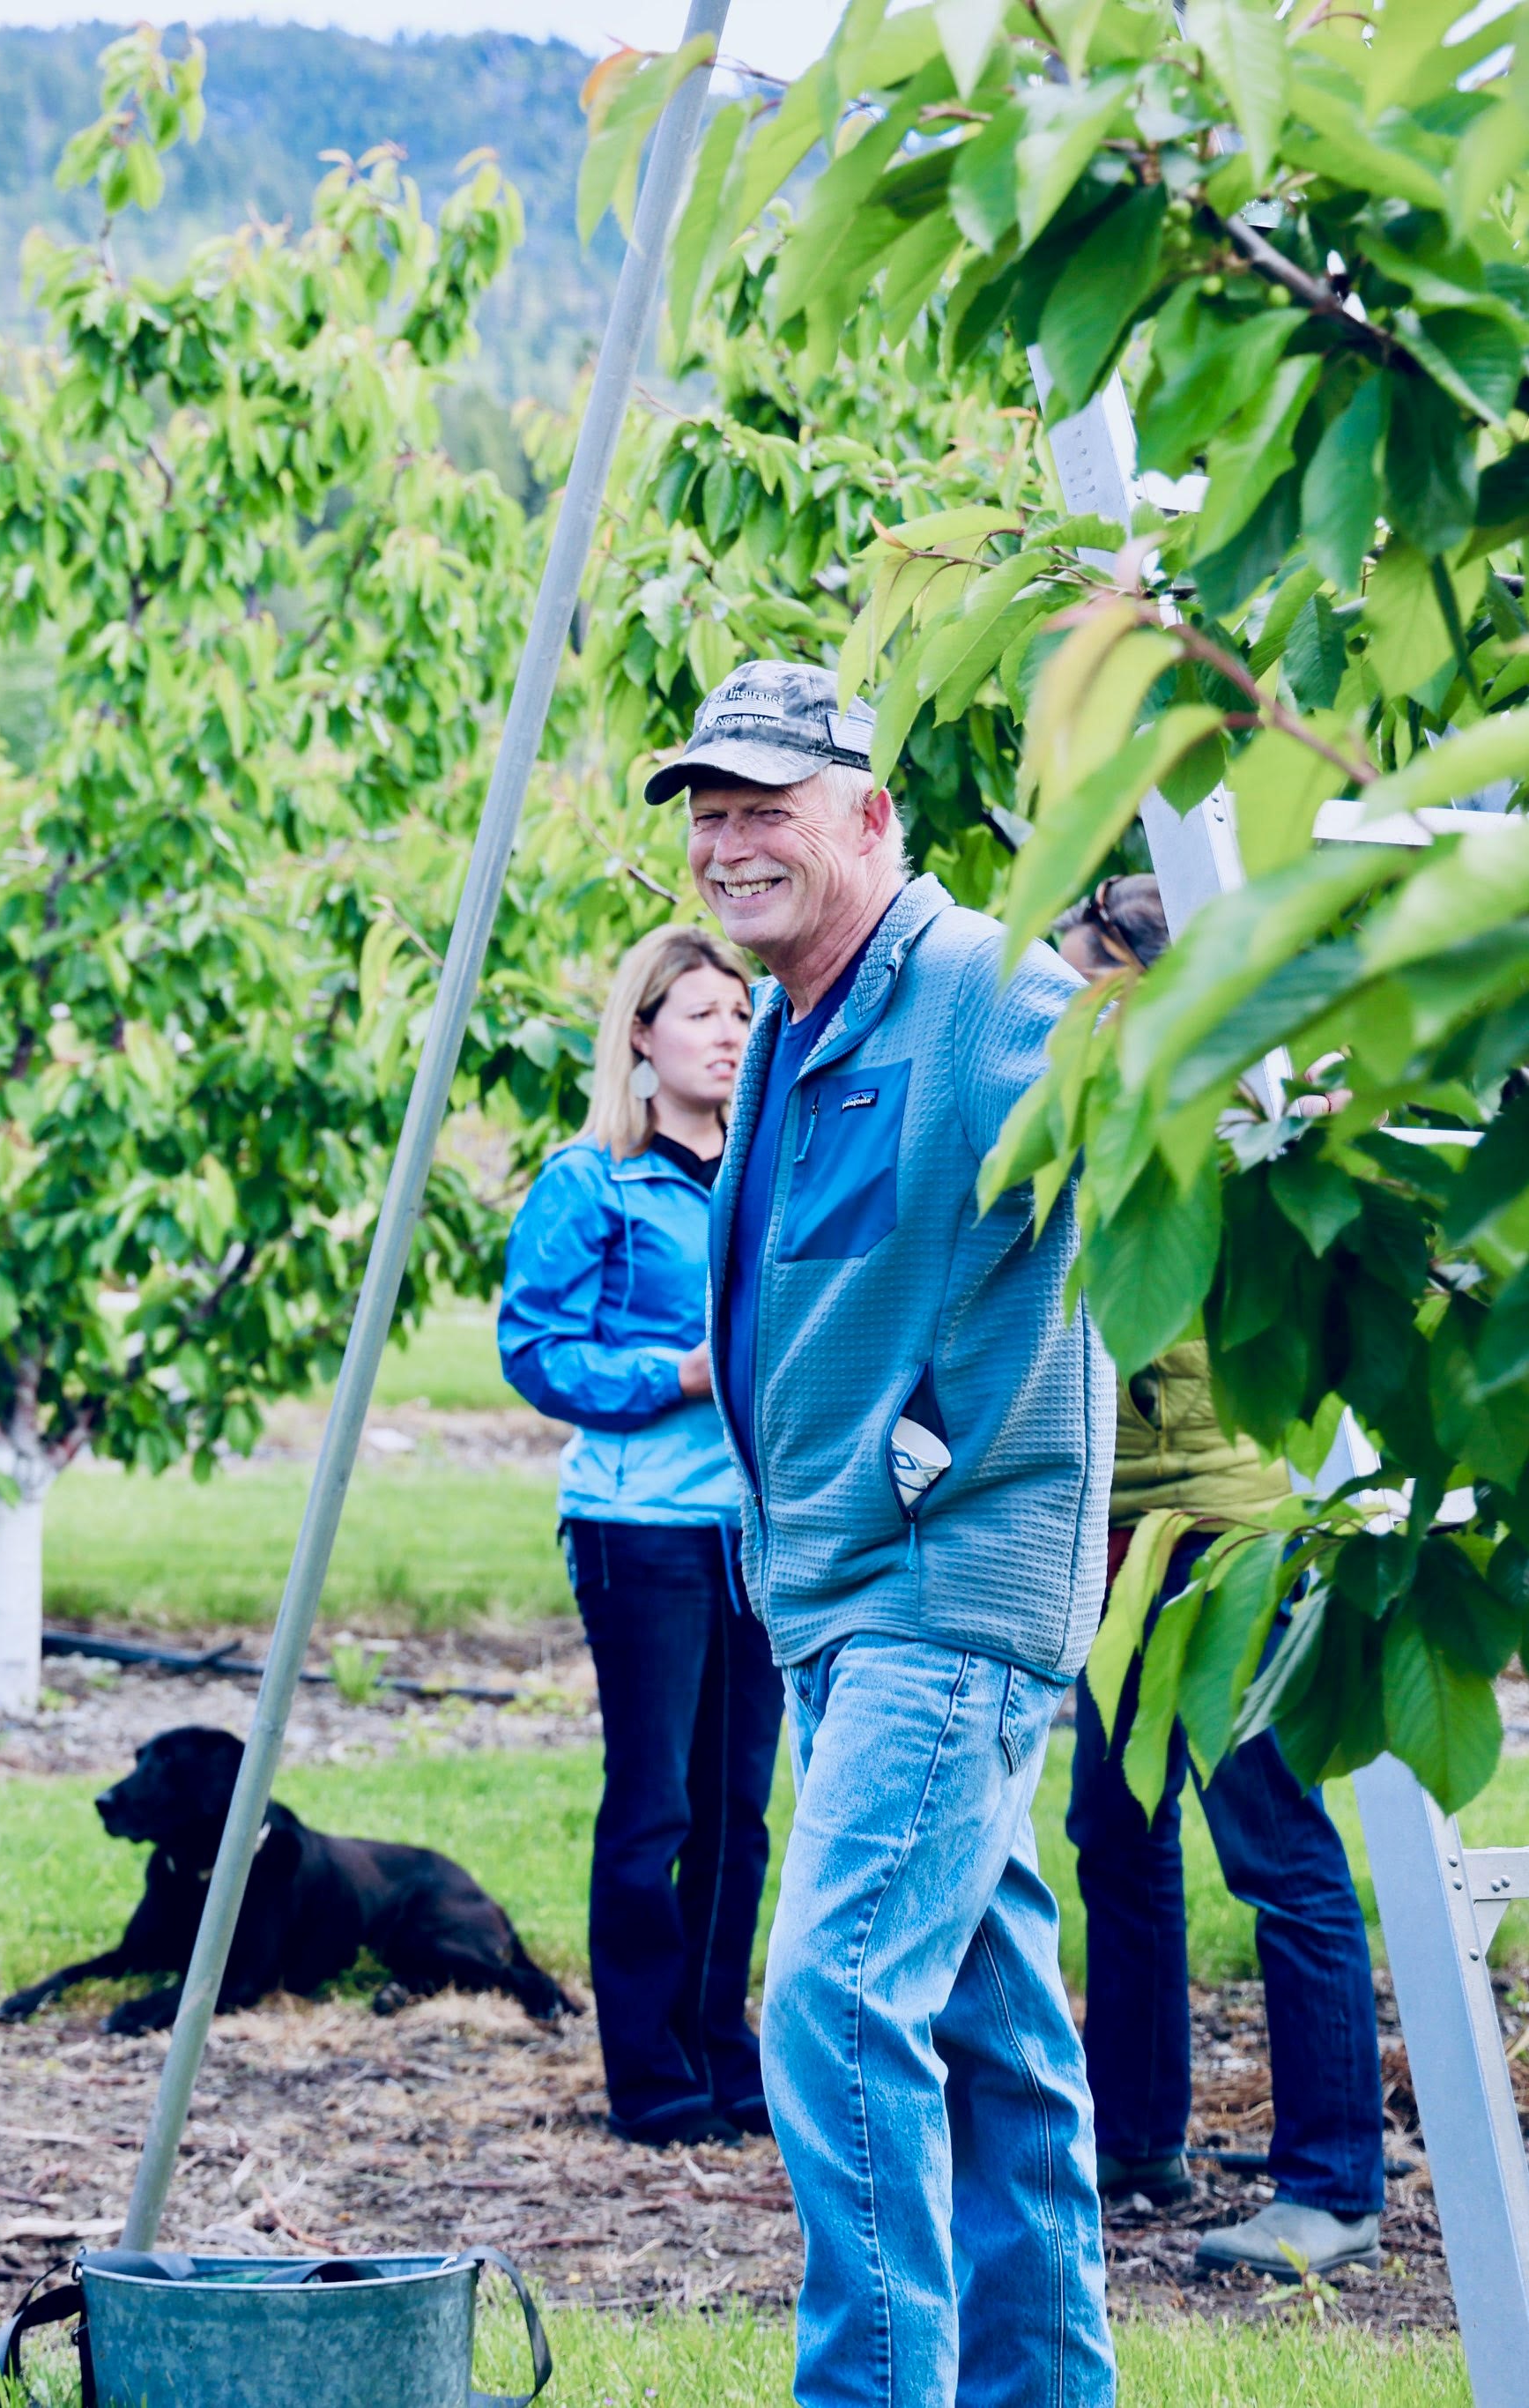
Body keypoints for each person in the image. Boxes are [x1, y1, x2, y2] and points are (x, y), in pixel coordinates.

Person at [651, 659, 1114, 2406]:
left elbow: (1154, 1120)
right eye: (708, 814)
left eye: (765, 808)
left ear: (870, 815)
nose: (728, 844)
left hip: (943, 1588)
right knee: (999, 2046)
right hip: (844, 1604)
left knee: (837, 2004)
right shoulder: (790, 1023)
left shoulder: (983, 991)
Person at [1050, 874, 1384, 2278]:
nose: (1062, 1012)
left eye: (1083, 982)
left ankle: (1336, 2188)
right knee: (1116, 1845)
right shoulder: (1101, 1128)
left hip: (1231, 1535)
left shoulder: (1239, 1130)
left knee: (1280, 1853)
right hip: (1121, 1541)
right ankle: (1134, 2137)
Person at [500, 922, 778, 2148]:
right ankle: (649, 2076)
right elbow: (533, 1348)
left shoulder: (766, 1169)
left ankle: (724, 2050)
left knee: (739, 1809)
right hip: (641, 1528)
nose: (730, 1032)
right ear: (641, 1037)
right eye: (704, 1012)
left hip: (755, 1532)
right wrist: (673, 1375)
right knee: (656, 1807)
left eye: (741, 1009)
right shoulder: (592, 1181)